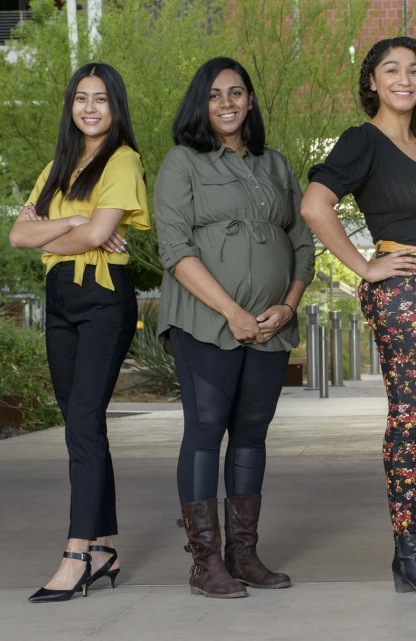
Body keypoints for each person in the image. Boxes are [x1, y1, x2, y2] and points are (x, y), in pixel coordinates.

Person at [302, 37, 416, 596]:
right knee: (410, 416)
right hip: (404, 290)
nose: (404, 78)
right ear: (372, 82)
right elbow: (315, 204)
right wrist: (365, 265)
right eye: (391, 69)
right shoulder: (363, 141)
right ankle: (407, 546)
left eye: (414, 70)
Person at [156, 57, 315, 598]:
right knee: (205, 434)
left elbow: (300, 244)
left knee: (251, 436)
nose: (227, 102)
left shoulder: (276, 166)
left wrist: (287, 307)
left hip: (271, 327)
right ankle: (206, 564)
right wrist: (233, 311)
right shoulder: (183, 162)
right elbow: (175, 247)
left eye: (237, 92)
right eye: (215, 94)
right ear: (201, 104)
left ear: (249, 101)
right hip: (205, 321)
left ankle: (242, 555)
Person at [9, 63, 149, 603]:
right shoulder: (57, 165)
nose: (89, 108)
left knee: (84, 425)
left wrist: (68, 228)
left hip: (103, 299)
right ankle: (105, 545)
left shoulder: (124, 160)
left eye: (101, 99)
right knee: (80, 424)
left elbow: (98, 232)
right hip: (60, 298)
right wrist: (72, 227)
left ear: (116, 107)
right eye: (81, 99)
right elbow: (20, 235)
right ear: (71, 106)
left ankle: (76, 557)